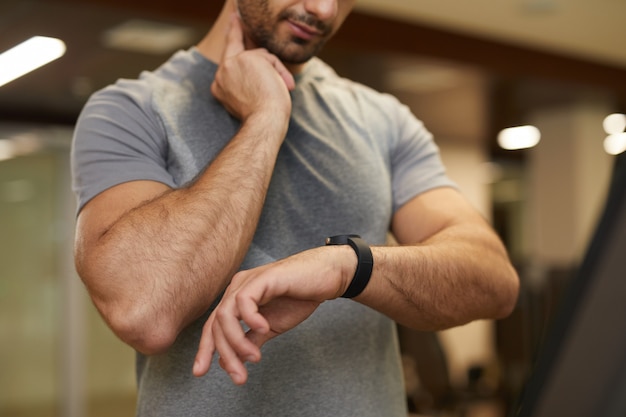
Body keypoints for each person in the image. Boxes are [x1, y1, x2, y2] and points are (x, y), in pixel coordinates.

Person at [71, 0, 520, 415]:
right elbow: (144, 313)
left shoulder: (384, 119)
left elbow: (494, 282)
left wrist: (348, 267)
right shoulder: (131, 111)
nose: (324, 10)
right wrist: (265, 119)